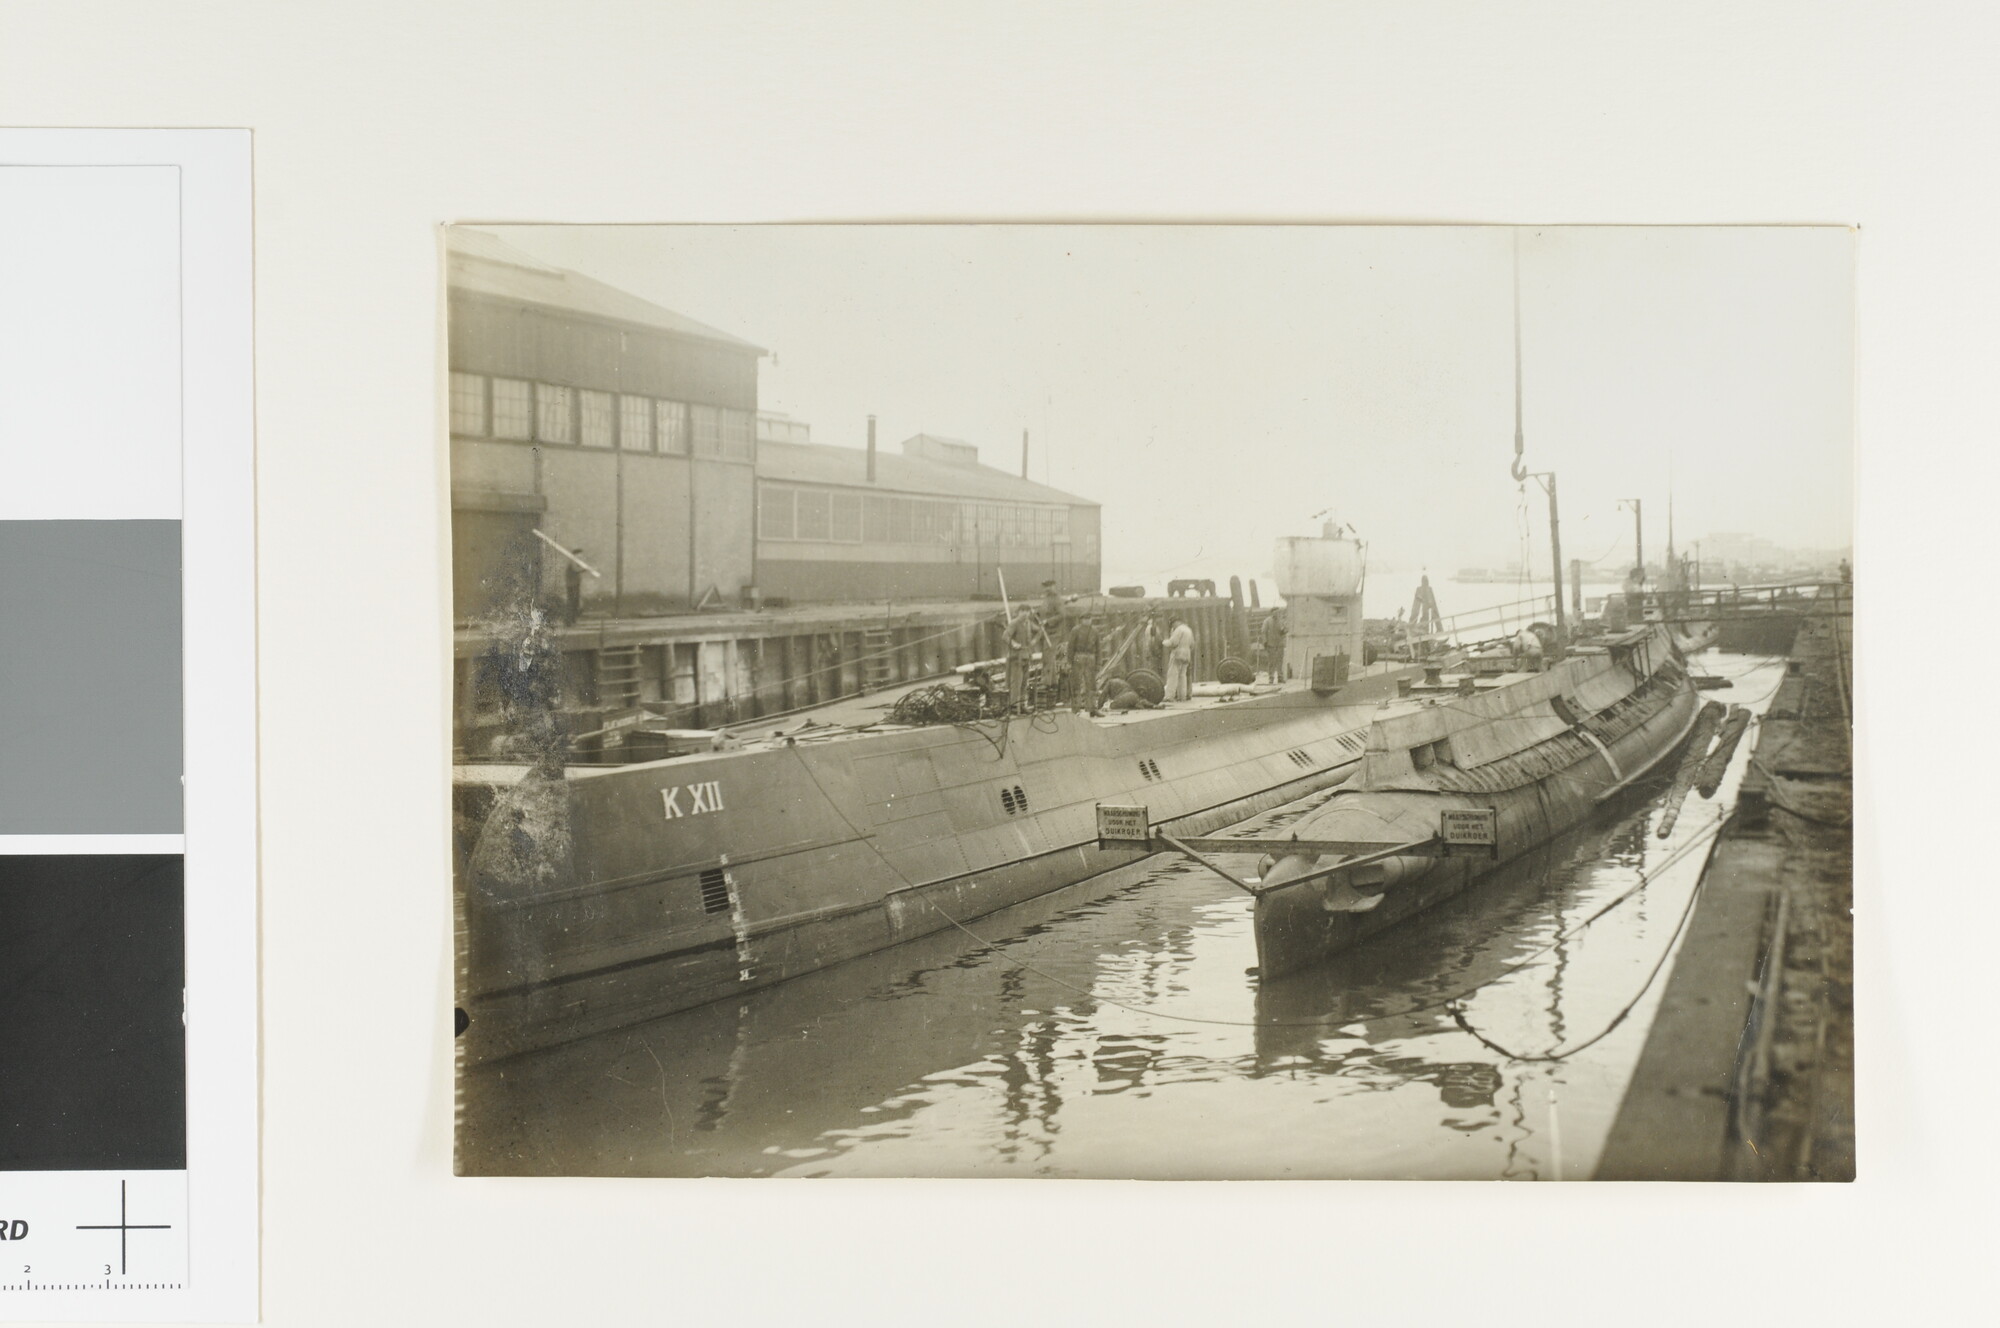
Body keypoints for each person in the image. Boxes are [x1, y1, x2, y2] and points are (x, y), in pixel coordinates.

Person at [1005, 606, 1039, 714]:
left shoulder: (1028, 623)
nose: (1025, 613)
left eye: (1027, 611)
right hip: (1016, 657)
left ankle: (1022, 705)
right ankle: (1014, 707)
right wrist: (1013, 643)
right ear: (1018, 612)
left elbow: (1040, 631)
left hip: (1026, 656)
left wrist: (1034, 641)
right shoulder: (1014, 623)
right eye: (1022, 611)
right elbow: (1005, 636)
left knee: (1024, 683)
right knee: (1016, 683)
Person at [1067, 614, 1101, 714]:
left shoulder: (1095, 631)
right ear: (1081, 620)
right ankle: (1076, 709)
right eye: (1085, 619)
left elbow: (1098, 648)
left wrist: (1098, 663)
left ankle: (1092, 709)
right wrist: (1069, 662)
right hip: (1078, 657)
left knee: (1091, 684)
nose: (1087, 621)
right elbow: (1070, 647)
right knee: (1076, 683)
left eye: (1089, 618)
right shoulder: (1075, 630)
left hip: (1091, 658)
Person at [1164, 616, 1195, 701]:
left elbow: (1173, 642)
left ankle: (1169, 696)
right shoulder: (1188, 629)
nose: (1172, 627)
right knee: (1182, 676)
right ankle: (1182, 696)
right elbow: (1192, 644)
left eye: (1172, 625)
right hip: (1187, 654)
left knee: (1172, 675)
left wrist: (1163, 642)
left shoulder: (1178, 630)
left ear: (1175, 622)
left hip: (1177, 654)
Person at [1261, 609, 1285, 681]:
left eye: (1278, 612)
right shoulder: (1267, 621)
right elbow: (1263, 631)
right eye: (1275, 612)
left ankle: (1280, 677)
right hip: (1271, 644)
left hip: (1280, 644)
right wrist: (1265, 642)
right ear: (1272, 613)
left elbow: (1283, 631)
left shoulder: (1281, 621)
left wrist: (1284, 630)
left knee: (1280, 661)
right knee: (1272, 661)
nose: (1276, 614)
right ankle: (1271, 677)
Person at [564, 549, 586, 625]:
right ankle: (569, 620)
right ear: (575, 555)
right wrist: (584, 569)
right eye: (579, 555)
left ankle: (572, 620)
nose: (581, 557)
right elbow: (576, 570)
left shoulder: (575, 561)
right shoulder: (573, 561)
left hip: (575, 584)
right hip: (572, 585)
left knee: (575, 602)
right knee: (572, 602)